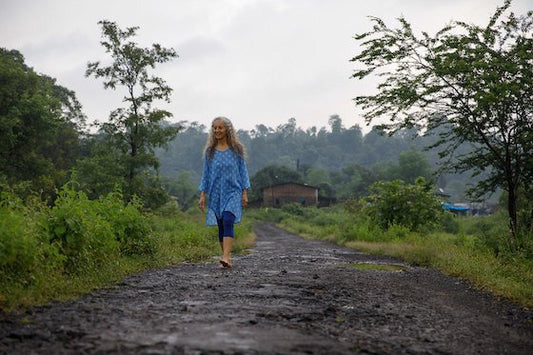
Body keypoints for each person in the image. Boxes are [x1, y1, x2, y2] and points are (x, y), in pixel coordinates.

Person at [198, 116, 250, 268]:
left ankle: (226, 256)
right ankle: (226, 256)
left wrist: (244, 192)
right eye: (214, 127)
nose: (217, 130)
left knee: (228, 220)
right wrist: (202, 195)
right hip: (216, 193)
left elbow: (243, 171)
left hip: (233, 191)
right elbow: (206, 174)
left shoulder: (236, 150)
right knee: (221, 225)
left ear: (227, 129)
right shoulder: (210, 152)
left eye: (220, 127)